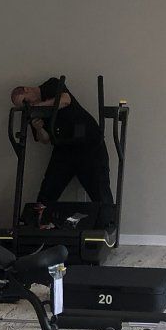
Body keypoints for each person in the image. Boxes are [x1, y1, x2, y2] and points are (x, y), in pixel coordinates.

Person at [10, 76, 114, 229]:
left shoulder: (50, 85)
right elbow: (45, 139)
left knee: (100, 189)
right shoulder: (33, 113)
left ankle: (107, 227)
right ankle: (37, 226)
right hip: (64, 147)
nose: (29, 106)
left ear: (26, 89)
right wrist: (38, 127)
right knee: (48, 190)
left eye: (26, 101)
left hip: (89, 144)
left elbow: (66, 100)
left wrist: (39, 107)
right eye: (25, 106)